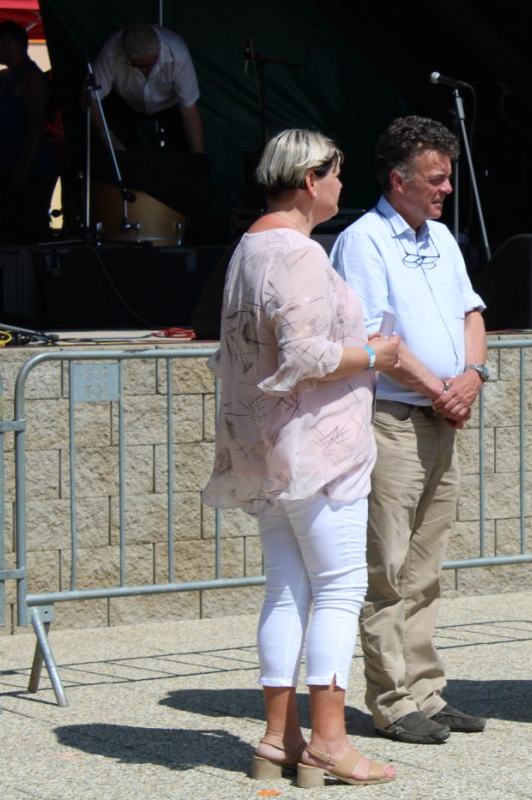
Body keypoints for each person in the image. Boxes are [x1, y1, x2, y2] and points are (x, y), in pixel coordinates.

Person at [202, 129, 399, 787]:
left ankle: (278, 738)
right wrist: (374, 354)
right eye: (337, 174)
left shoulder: (249, 246)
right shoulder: (299, 252)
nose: (343, 186)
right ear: (311, 179)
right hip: (318, 448)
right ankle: (329, 743)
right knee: (339, 588)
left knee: (286, 587)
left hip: (268, 445)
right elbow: (306, 354)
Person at [331, 115, 488, 745]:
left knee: (426, 570)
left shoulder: (441, 237)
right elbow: (375, 340)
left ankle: (426, 691)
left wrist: (473, 374)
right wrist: (443, 390)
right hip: (393, 421)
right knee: (387, 570)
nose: (446, 188)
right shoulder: (363, 241)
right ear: (399, 180)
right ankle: (391, 700)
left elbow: (472, 312)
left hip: (438, 419)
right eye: (436, 178)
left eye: (447, 176)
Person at [0, 20, 57, 243]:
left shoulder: (30, 77)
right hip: (10, 168)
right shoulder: (9, 76)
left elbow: (36, 125)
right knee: (12, 226)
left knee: (27, 229)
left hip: (29, 171)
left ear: (9, 43)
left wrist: (24, 167)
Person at [90, 23, 203, 154]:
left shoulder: (178, 52)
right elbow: (90, 98)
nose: (145, 71)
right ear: (127, 56)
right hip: (126, 103)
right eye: (138, 66)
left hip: (170, 104)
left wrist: (199, 156)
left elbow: (189, 110)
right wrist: (108, 137)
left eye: (151, 64)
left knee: (184, 148)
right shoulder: (111, 51)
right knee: (115, 150)